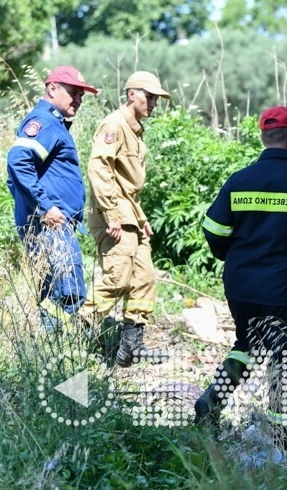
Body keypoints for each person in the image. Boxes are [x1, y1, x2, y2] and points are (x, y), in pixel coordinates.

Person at [194, 106, 287, 432]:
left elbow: (214, 230)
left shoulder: (239, 181)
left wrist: (233, 258)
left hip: (241, 287)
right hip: (285, 290)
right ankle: (283, 439)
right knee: (285, 360)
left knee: (247, 346)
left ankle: (212, 400)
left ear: (264, 137)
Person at [79, 71, 171, 367]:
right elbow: (99, 168)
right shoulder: (114, 124)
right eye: (150, 96)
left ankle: (132, 348)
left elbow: (126, 183)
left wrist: (140, 217)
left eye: (157, 97)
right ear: (132, 94)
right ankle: (73, 332)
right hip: (112, 214)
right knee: (118, 278)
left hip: (129, 213)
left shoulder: (136, 129)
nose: (154, 102)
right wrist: (111, 214)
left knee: (144, 279)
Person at [6, 65, 98, 332]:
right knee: (67, 290)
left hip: (54, 224)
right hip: (50, 225)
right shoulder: (44, 122)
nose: (78, 100)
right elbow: (17, 162)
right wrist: (45, 206)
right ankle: (58, 350)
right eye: (73, 93)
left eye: (81, 95)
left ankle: (52, 350)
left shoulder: (55, 124)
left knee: (55, 289)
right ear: (52, 88)